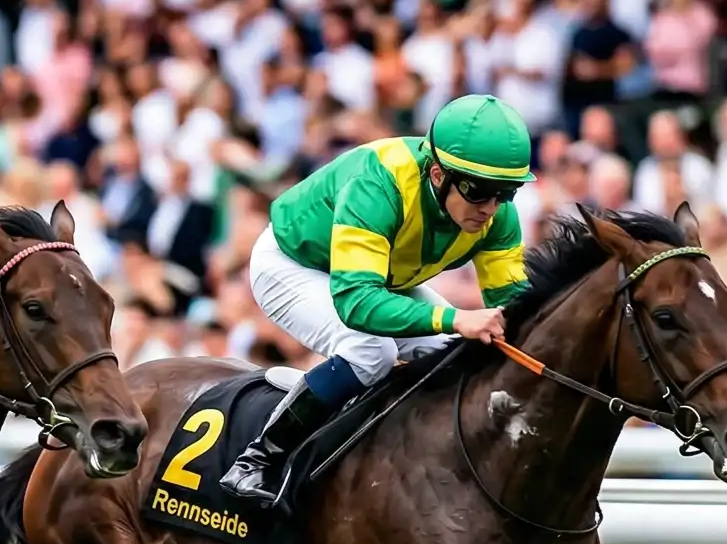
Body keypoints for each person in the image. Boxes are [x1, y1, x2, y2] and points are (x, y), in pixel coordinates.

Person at [218, 93, 532, 504]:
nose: (490, 208)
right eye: (478, 192)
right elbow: (358, 303)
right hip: (296, 264)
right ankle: (258, 459)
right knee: (370, 351)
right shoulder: (379, 181)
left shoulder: (496, 217)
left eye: (505, 193)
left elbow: (518, 311)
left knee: (460, 355)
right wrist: (455, 318)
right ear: (438, 174)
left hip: (381, 275)